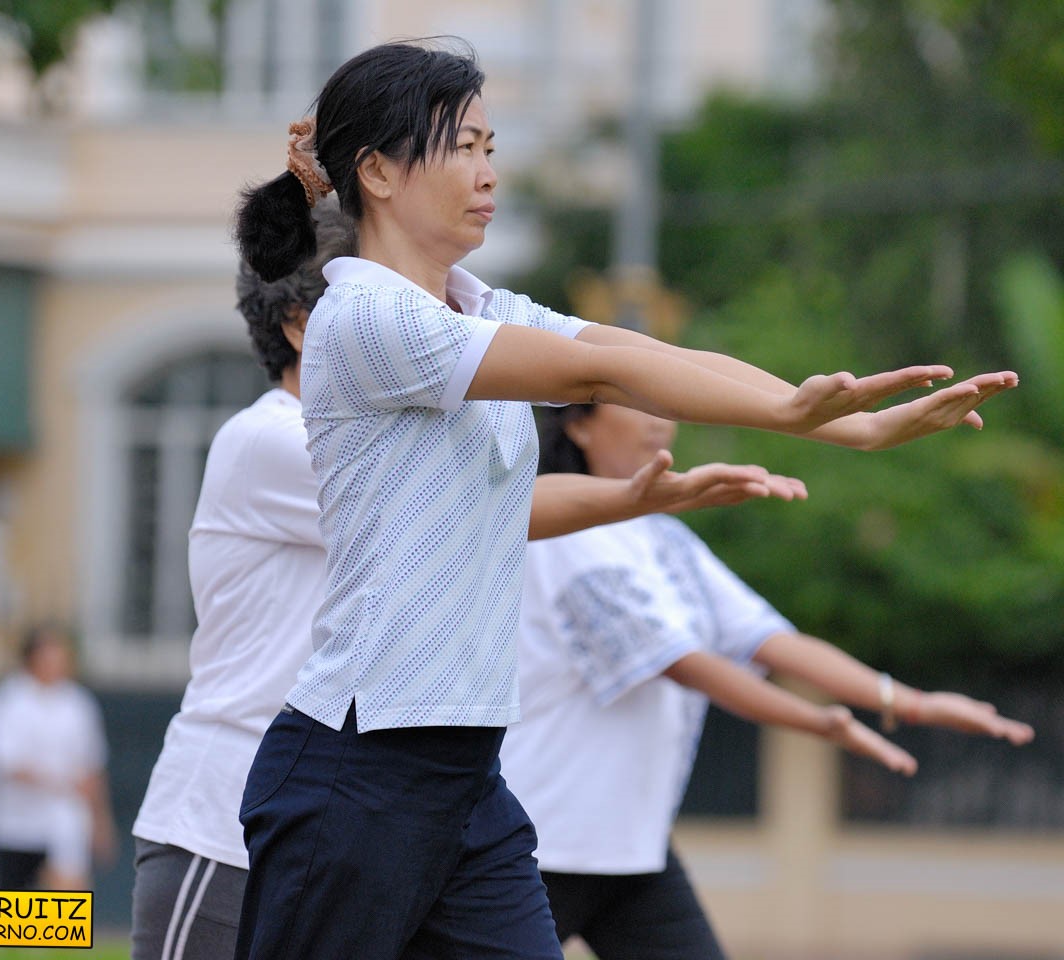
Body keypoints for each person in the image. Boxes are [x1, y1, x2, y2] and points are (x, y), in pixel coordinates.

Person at [231, 38, 1015, 960]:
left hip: (466, 776)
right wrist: (791, 413)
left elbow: (644, 357)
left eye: (491, 146)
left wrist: (841, 424)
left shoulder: (473, 310)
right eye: (464, 147)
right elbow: (602, 372)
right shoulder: (368, 317)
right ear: (378, 171)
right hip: (357, 771)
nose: (490, 171)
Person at [129, 201, 801, 960]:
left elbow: (595, 372)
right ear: (297, 325)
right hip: (224, 828)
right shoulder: (272, 438)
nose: (416, 322)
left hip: (374, 816)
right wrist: (635, 497)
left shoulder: (393, 428)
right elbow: (495, 499)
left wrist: (790, 413)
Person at [499, 402, 1036, 960]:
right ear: (579, 423)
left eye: (663, 406)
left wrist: (906, 700)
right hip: (545, 845)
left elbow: (768, 640)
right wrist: (818, 722)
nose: (659, 421)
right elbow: (684, 663)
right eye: (635, 405)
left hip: (633, 850)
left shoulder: (666, 541)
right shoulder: (561, 535)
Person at [0, 623, 115, 891]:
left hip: (64, 818)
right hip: (14, 823)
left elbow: (92, 765)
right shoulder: (8, 701)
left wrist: (100, 820)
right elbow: (7, 763)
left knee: (67, 889)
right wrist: (61, 783)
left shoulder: (78, 704)